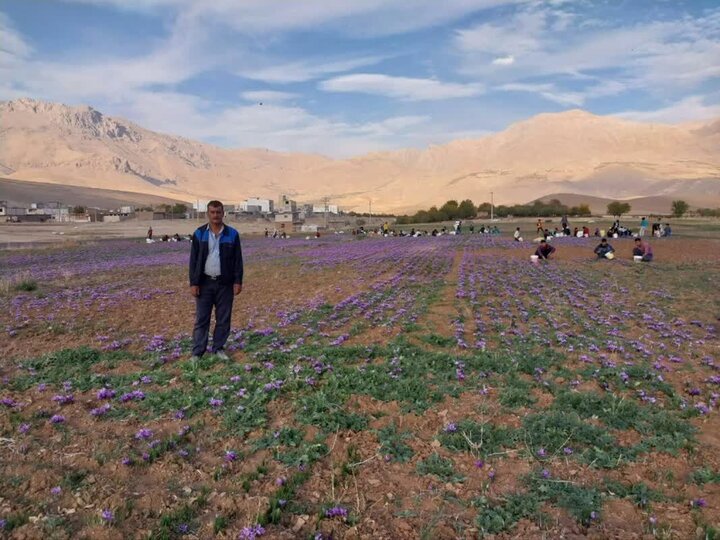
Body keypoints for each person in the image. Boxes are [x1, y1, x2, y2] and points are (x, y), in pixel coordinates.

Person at [189, 200, 243, 360]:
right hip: (204, 283)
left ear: (223, 213)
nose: (215, 215)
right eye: (212, 212)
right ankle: (197, 352)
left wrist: (238, 281)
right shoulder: (199, 233)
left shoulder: (232, 234)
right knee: (202, 319)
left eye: (218, 212)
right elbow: (193, 260)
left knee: (223, 318)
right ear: (208, 214)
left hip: (225, 283)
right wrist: (194, 282)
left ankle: (218, 348)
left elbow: (238, 260)